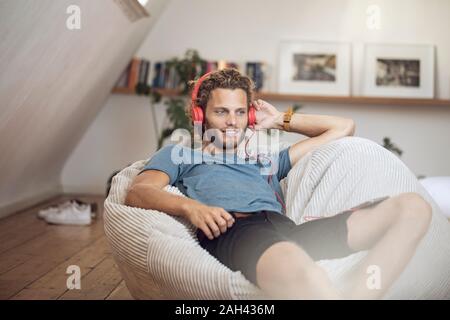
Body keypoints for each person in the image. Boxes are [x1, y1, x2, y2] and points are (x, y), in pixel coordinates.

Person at [125, 68, 431, 299]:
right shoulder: (181, 155)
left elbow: (344, 128)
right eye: (221, 111)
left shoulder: (266, 161)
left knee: (413, 208)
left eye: (240, 112)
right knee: (296, 265)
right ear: (200, 114)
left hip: (288, 230)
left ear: (250, 116)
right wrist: (190, 207)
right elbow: (139, 191)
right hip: (237, 231)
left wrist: (283, 120)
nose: (232, 121)